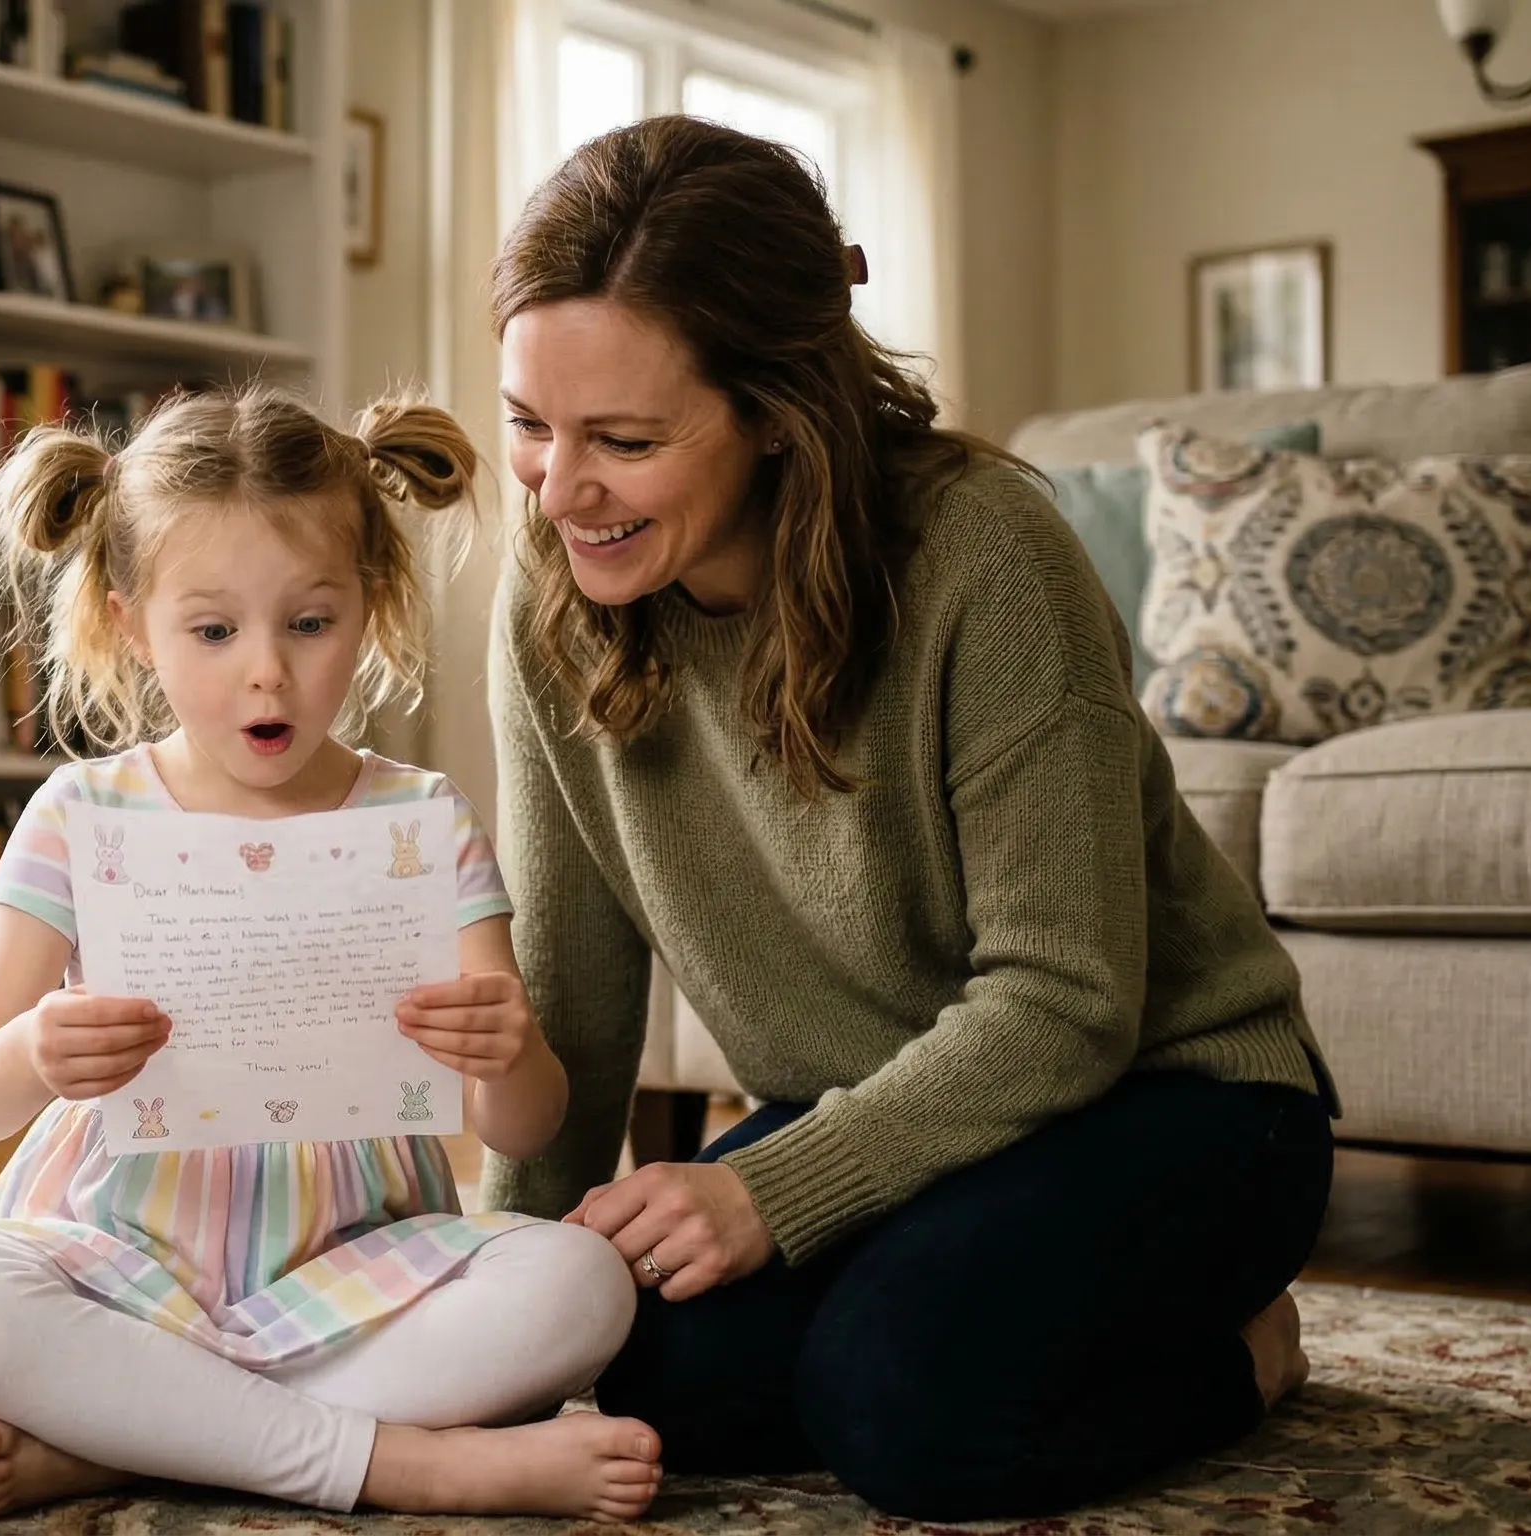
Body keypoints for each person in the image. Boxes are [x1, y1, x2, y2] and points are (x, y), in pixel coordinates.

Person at [479, 115, 1344, 1522]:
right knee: (646, 1381)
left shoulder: (987, 556)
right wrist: (496, 1318)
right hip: (889, 1113)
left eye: (622, 440)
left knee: (906, 1411)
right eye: (529, 424)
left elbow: (1067, 999)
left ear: (775, 408)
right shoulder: (549, 599)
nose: (560, 491)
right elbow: (569, 1004)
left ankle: (1250, 1355)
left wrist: (775, 1192)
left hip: (1174, 1099)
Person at [0, 385, 661, 1522]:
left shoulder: (419, 817)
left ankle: (140, 1436)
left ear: (371, 603)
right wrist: (37, 1050)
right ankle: (401, 1464)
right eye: (211, 630)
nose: (265, 672)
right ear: (124, 620)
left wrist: (504, 1051)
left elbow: (520, 1127)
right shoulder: (79, 811)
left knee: (580, 1283)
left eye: (308, 622)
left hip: (351, 1266)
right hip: (125, 1260)